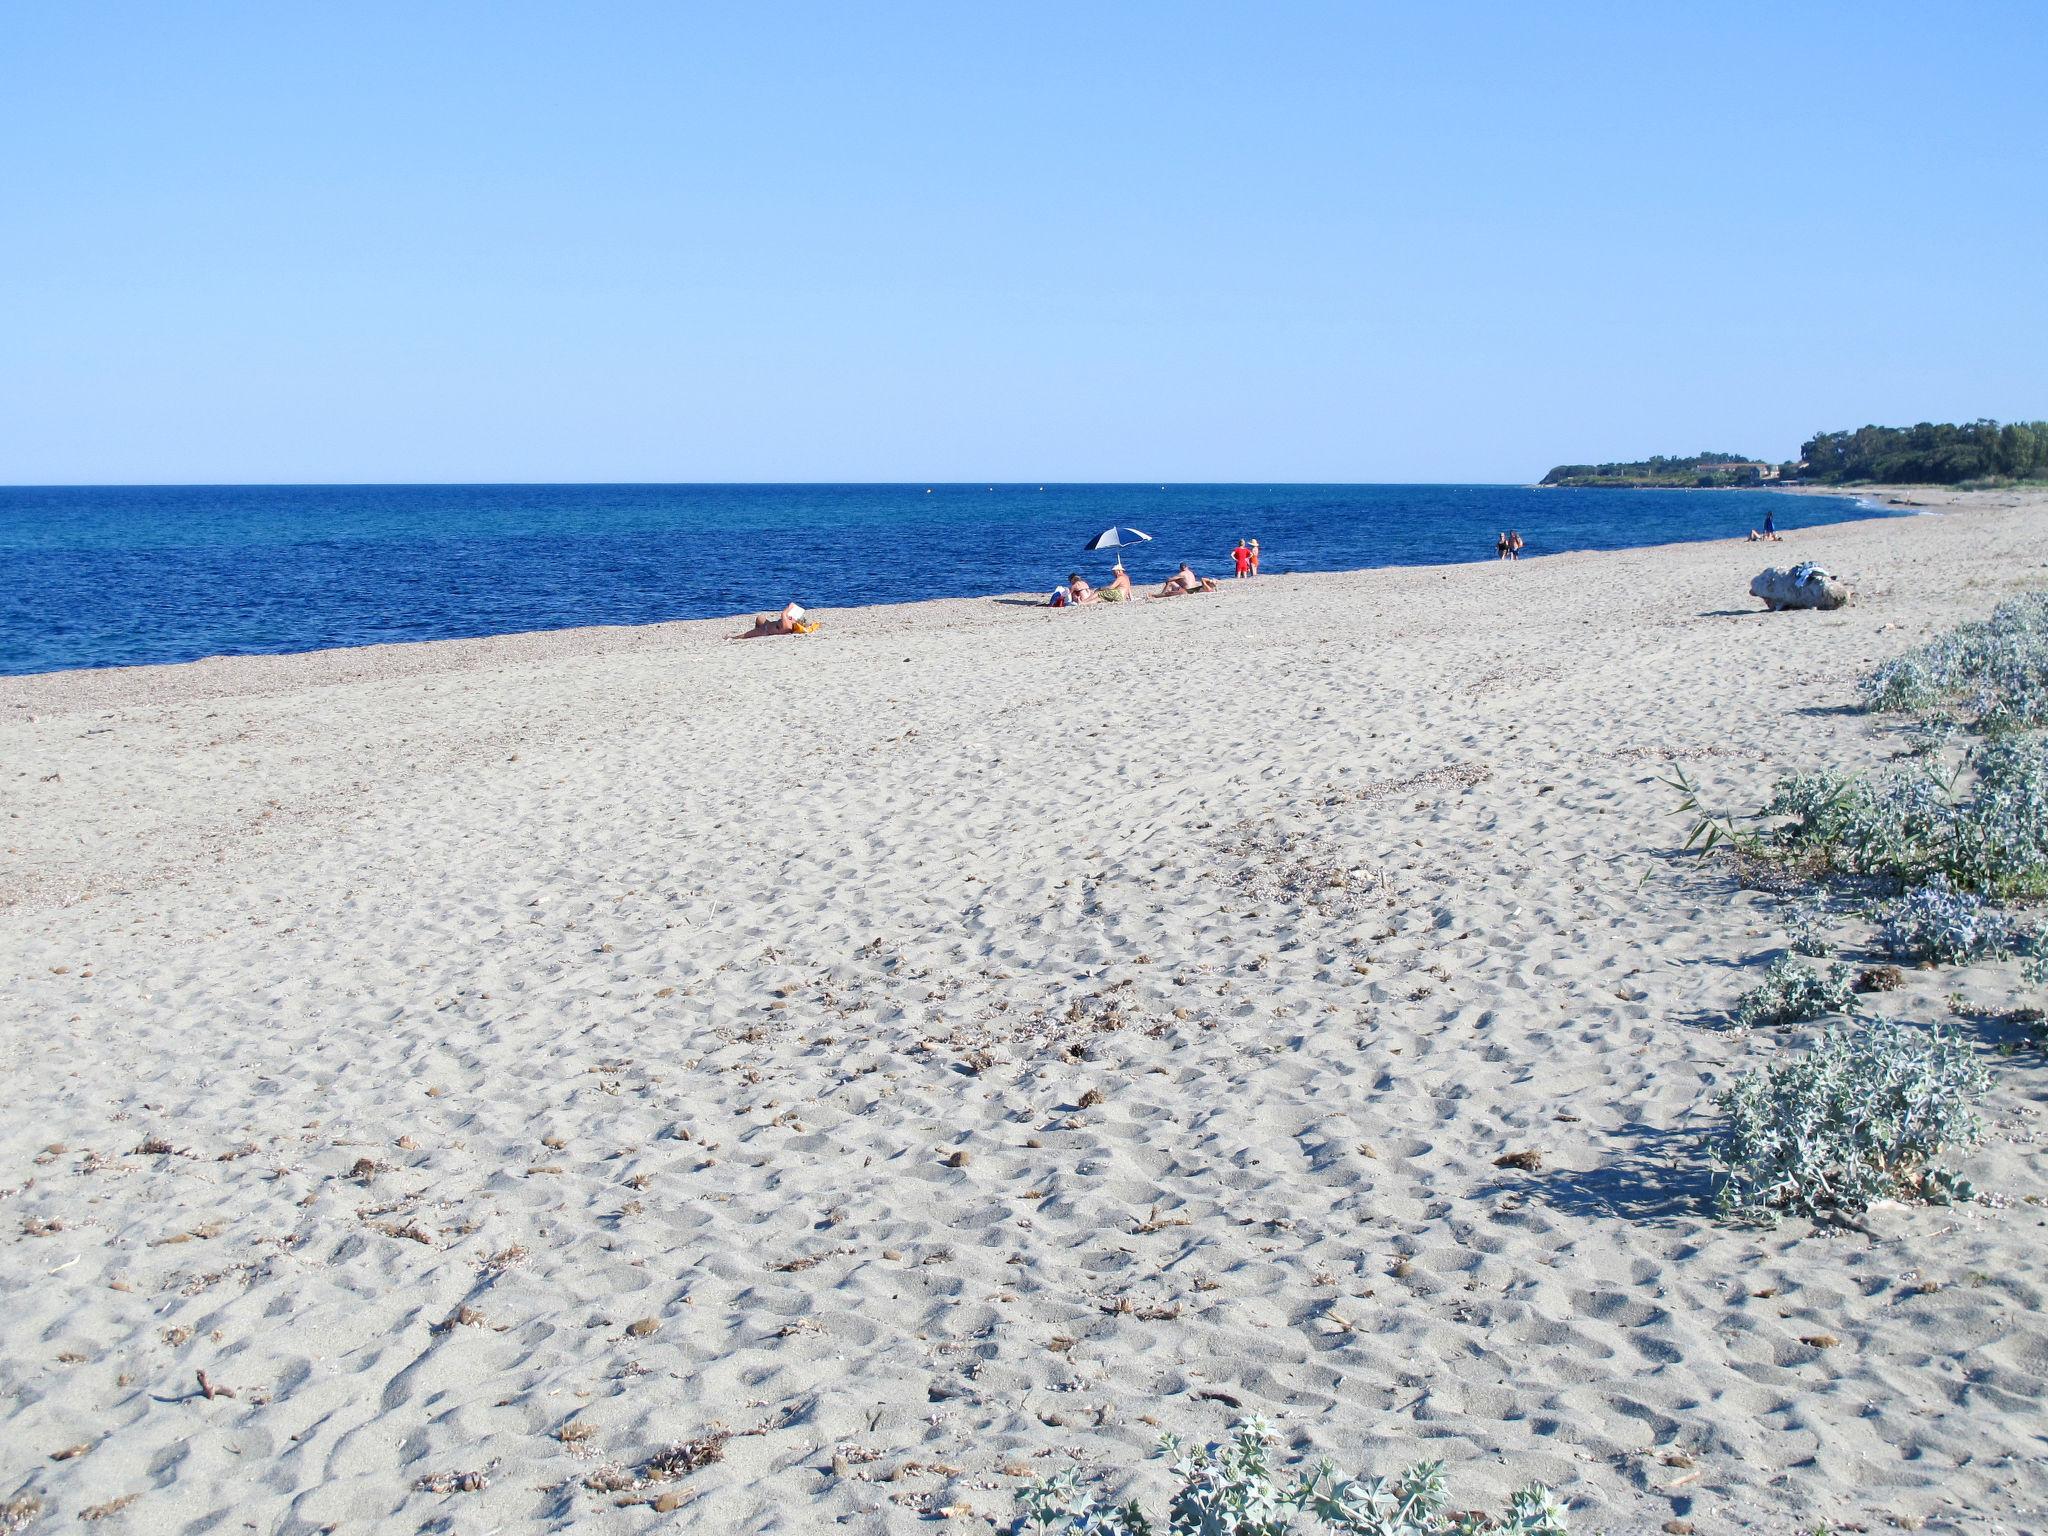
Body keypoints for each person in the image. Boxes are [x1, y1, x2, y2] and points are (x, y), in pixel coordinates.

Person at [730, 601, 810, 638]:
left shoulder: (788, 626)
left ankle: (732, 638)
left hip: (765, 630)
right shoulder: (790, 623)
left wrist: (790, 607)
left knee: (745, 636)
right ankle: (755, 629)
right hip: (767, 625)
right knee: (760, 618)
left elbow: (783, 614)